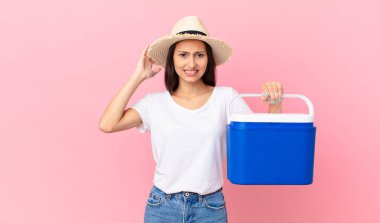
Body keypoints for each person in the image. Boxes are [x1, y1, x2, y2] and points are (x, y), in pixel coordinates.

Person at [99, 16, 284, 223]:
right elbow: (107, 124)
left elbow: (262, 145)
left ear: (209, 59)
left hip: (210, 208)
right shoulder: (154, 103)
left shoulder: (227, 98)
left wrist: (275, 104)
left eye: (199, 55)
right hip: (162, 207)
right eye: (183, 55)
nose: (192, 63)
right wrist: (138, 76)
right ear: (173, 59)